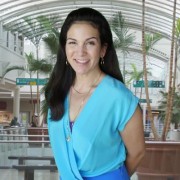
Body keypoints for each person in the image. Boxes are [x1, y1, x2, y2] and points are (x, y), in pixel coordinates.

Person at [45, 7, 145, 180]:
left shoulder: (119, 98)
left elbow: (137, 153)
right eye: (73, 42)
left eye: (90, 43)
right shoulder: (58, 91)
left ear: (103, 49)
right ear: (64, 48)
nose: (80, 52)